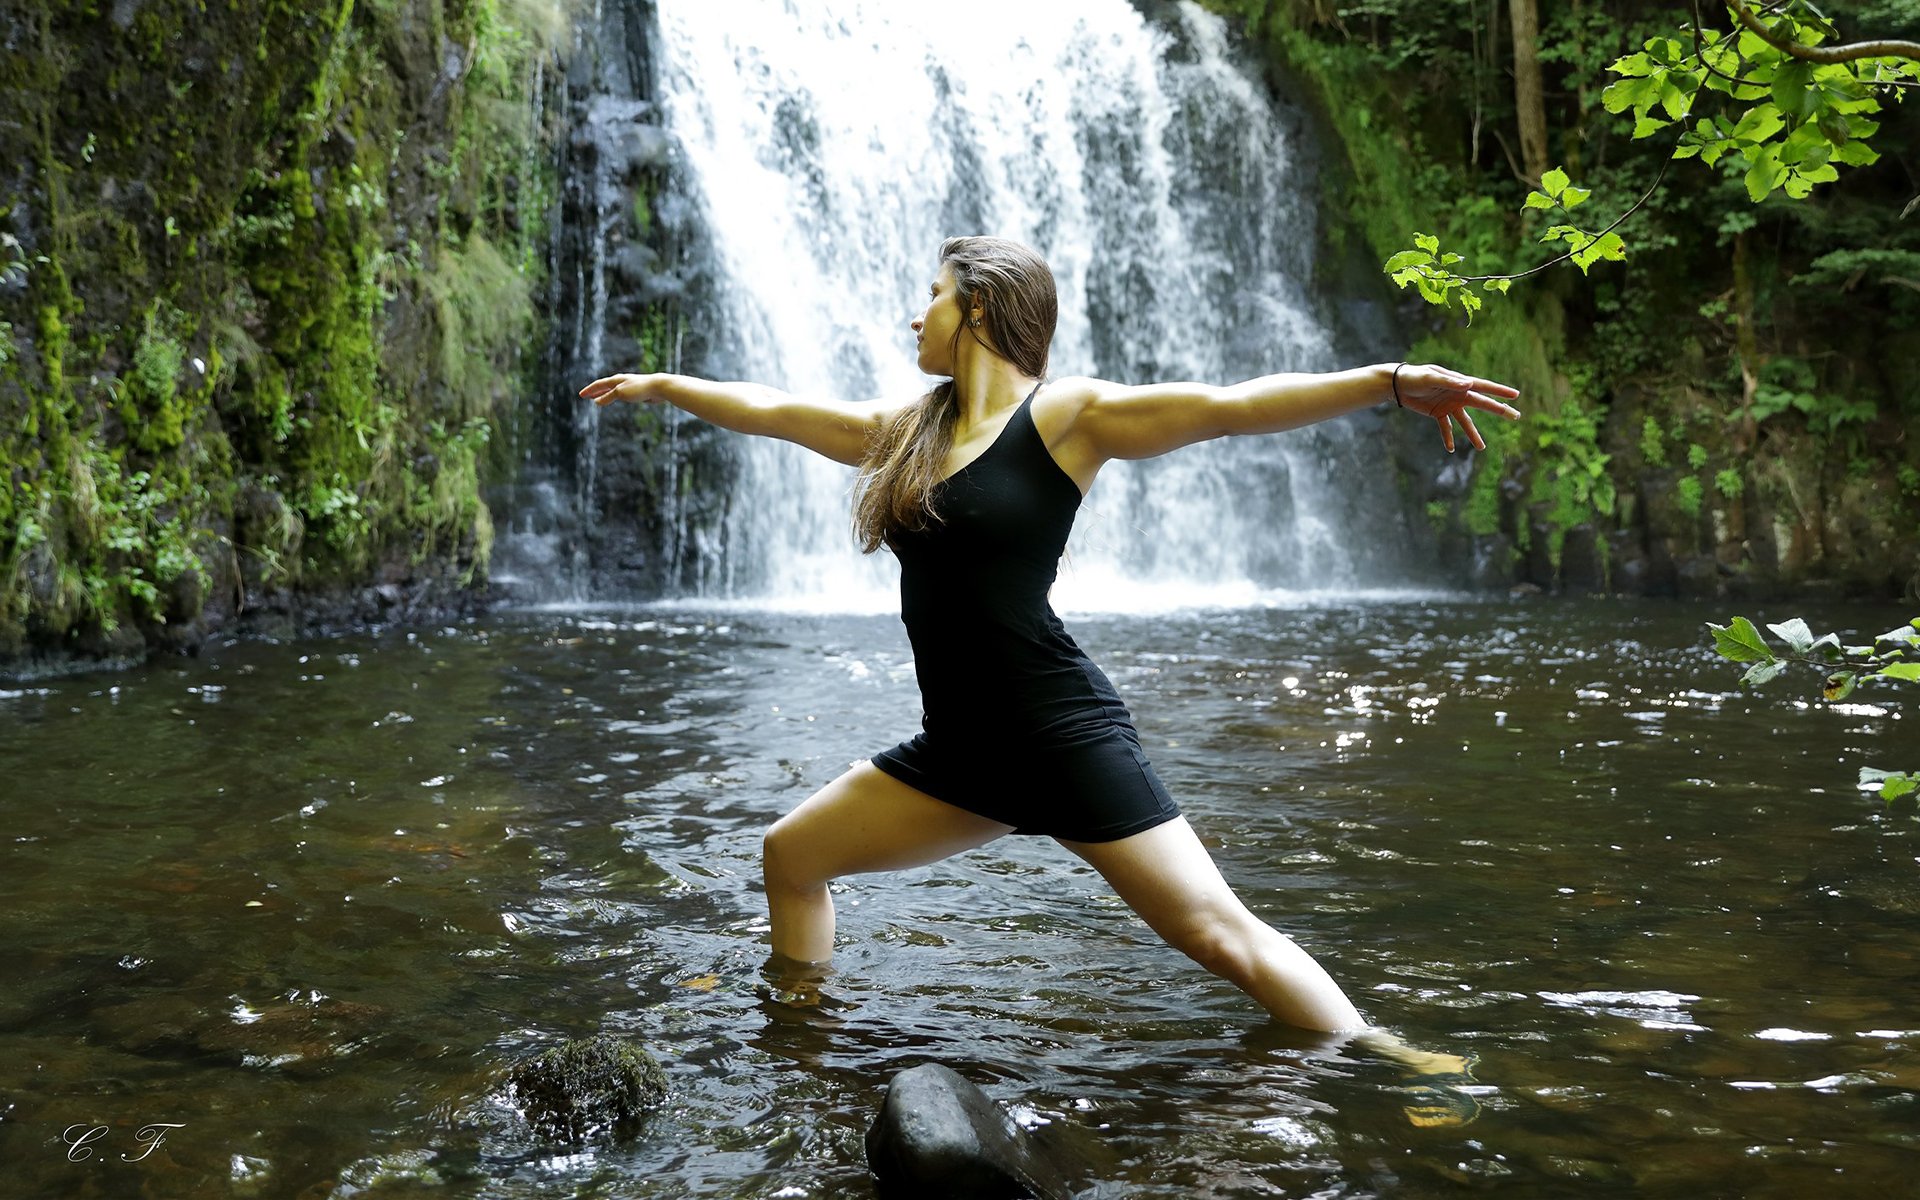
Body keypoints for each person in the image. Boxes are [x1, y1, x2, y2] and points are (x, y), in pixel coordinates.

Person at [579, 236, 1520, 1042]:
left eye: (933, 297)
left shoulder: (1068, 418)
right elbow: (780, 413)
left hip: (1056, 732)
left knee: (1217, 934)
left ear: (979, 308)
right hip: (962, 747)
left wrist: (1390, 383)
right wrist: (667, 385)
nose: (917, 317)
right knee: (792, 855)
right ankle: (803, 1036)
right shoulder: (909, 432)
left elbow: (1231, 406)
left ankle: (1377, 1057)